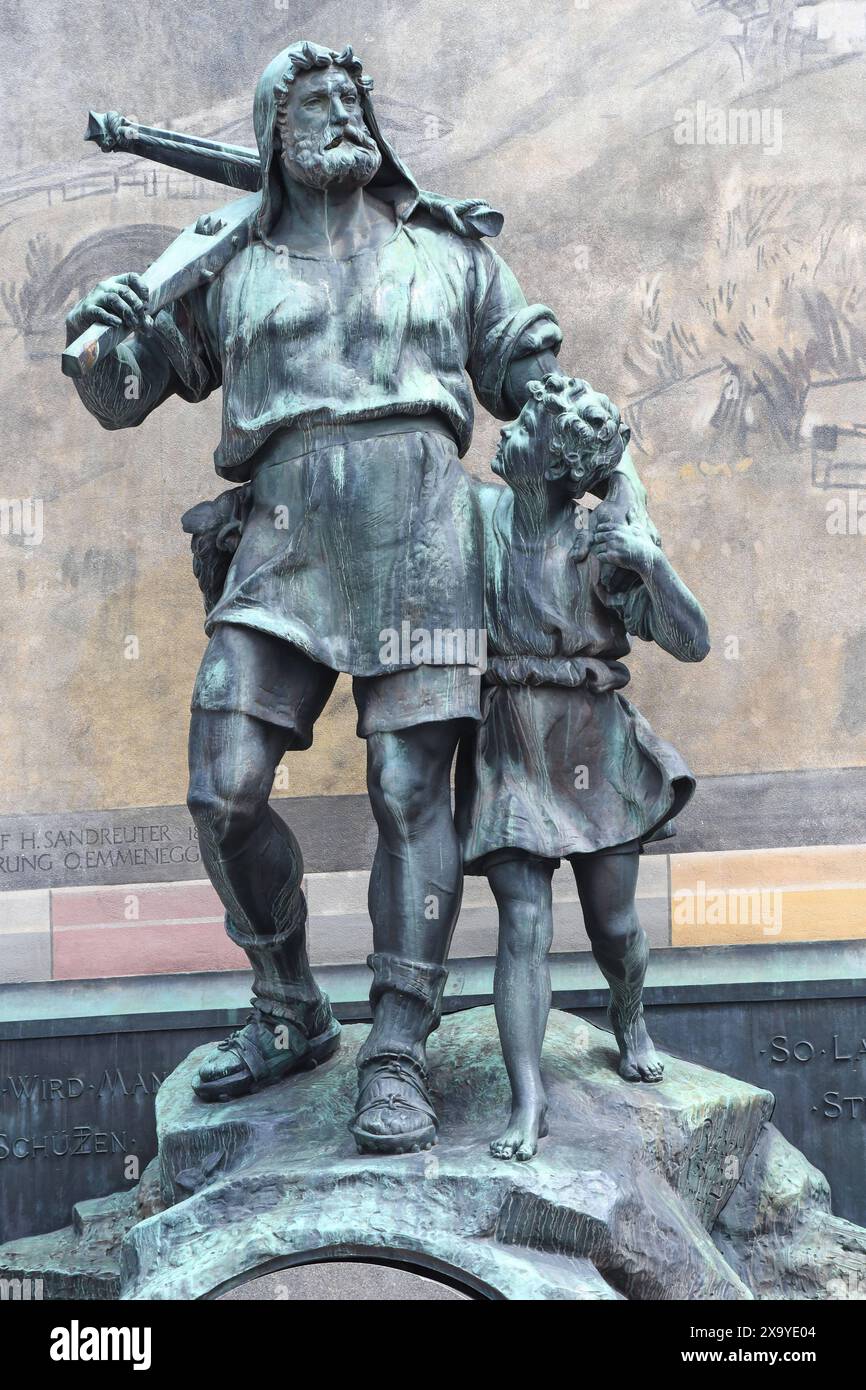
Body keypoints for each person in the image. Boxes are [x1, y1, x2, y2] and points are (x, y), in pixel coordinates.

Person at [64, 42, 648, 1154]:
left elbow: (530, 379)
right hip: (279, 536)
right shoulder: (225, 262)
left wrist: (603, 459)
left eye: (352, 98)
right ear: (271, 133)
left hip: (425, 534)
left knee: (405, 788)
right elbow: (125, 396)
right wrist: (106, 341)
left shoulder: (445, 251)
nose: (340, 114)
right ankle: (288, 1003)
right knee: (221, 791)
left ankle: (396, 1047)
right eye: (313, 100)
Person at [456, 374, 710, 1161]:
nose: (505, 430)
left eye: (524, 427)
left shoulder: (602, 545)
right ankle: (529, 1100)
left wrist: (652, 562)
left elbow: (693, 641)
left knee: (614, 925)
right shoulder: (479, 514)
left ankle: (628, 1011)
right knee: (524, 923)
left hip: (595, 749)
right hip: (513, 741)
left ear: (558, 467)